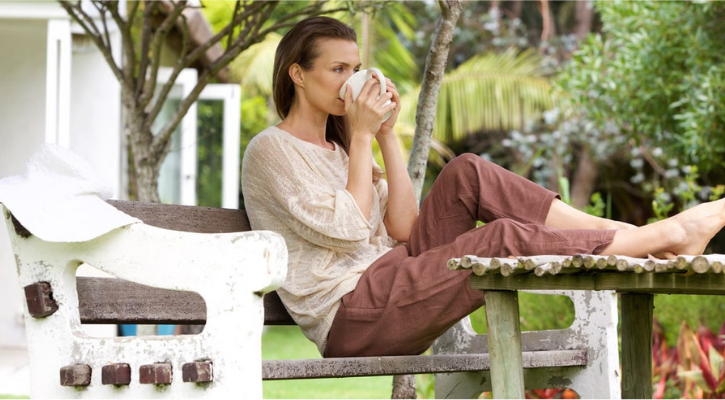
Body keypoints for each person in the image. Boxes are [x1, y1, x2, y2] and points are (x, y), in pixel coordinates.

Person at [241, 16, 725, 358]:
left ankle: (623, 232)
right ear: (298, 74)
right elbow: (347, 232)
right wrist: (365, 135)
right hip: (352, 316)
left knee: (466, 171)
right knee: (496, 241)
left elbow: (406, 231)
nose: (353, 79)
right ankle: (658, 238)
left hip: (391, 282)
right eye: (338, 70)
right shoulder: (270, 151)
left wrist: (385, 135)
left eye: (356, 67)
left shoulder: (348, 149)